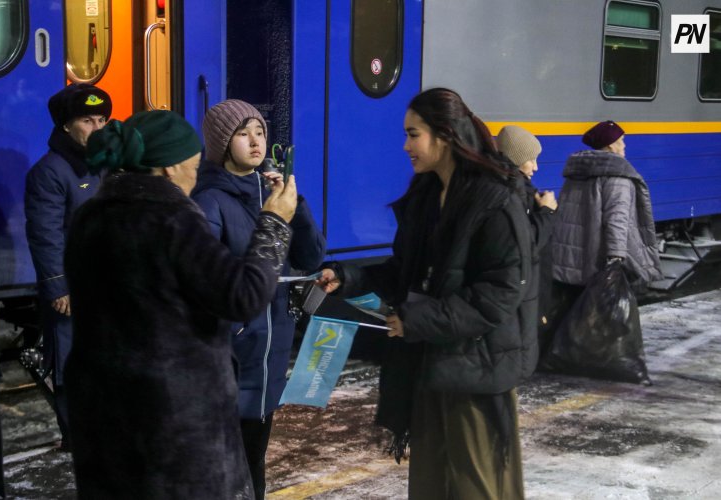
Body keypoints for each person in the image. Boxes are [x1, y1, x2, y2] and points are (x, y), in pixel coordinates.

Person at [63, 110, 298, 499]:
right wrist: (274, 222)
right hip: (172, 423)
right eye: (193, 164)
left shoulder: (90, 217)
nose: (196, 174)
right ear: (170, 167)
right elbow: (243, 296)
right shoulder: (172, 220)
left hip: (103, 417)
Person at [317, 88, 536, 499]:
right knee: (432, 484)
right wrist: (348, 278)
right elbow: (405, 272)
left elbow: (499, 294)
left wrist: (416, 320)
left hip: (475, 370)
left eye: (413, 134)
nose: (405, 146)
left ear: (445, 135)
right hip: (429, 364)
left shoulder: (494, 200)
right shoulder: (426, 196)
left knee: (475, 487)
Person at [192, 99, 326, 500]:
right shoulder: (210, 201)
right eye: (242, 133)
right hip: (234, 353)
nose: (255, 141)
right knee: (228, 468)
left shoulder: (273, 193)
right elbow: (207, 281)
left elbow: (310, 258)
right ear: (221, 143)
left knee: (255, 462)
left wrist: (295, 204)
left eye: (260, 132)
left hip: (268, 353)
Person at [24, 83, 112, 450]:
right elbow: (44, 233)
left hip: (106, 282)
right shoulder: (50, 172)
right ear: (65, 125)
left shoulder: (105, 164)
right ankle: (76, 437)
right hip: (74, 286)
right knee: (70, 360)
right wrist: (58, 286)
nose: (98, 127)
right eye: (88, 121)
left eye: (102, 119)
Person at [550, 120, 662, 306]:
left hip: (569, 263)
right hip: (598, 264)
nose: (624, 145)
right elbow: (617, 220)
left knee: (573, 313)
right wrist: (616, 259)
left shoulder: (577, 173)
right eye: (621, 140)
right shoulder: (618, 176)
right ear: (610, 144)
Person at [497, 125, 558, 344]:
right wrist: (547, 212)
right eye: (531, 160)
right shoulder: (516, 192)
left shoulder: (509, 186)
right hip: (524, 292)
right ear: (515, 159)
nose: (536, 167)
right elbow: (527, 243)